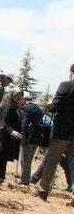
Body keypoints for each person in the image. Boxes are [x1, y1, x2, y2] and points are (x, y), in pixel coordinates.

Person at [34, 64, 74, 201]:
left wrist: (49, 106)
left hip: (62, 131)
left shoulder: (66, 85)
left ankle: (43, 190)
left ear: (71, 72)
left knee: (52, 160)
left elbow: (55, 107)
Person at [0, 90, 24, 179]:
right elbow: (2, 121)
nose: (19, 97)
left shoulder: (17, 107)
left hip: (9, 137)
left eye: (21, 95)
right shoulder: (8, 106)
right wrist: (11, 131)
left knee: (4, 157)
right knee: (0, 156)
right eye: (17, 95)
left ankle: (0, 176)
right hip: (3, 135)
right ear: (12, 95)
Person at [18, 93, 45, 185]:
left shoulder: (25, 108)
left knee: (25, 159)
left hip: (27, 137)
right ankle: (26, 178)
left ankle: (24, 180)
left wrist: (22, 133)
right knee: (29, 159)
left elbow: (24, 124)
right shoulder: (38, 108)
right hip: (36, 137)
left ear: (24, 100)